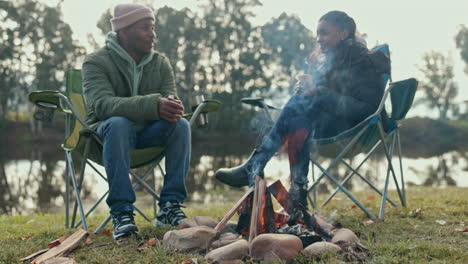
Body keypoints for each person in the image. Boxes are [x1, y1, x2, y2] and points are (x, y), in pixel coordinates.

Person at [215, 11, 390, 209]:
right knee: (298, 118)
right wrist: (308, 88)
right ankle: (297, 194)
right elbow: (322, 100)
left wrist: (317, 92)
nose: (319, 39)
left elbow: (366, 109)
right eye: (317, 34)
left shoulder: (364, 61)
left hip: (356, 131)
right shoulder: (329, 62)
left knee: (298, 108)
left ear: (343, 33)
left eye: (324, 33)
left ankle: (255, 167)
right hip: (323, 127)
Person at [82, 3, 191, 240]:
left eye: (153, 28)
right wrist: (154, 105)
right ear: (124, 31)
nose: (153, 34)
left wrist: (173, 106)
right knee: (118, 123)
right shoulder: (95, 62)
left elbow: (168, 97)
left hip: (148, 136)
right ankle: (122, 212)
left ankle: (170, 207)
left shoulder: (160, 63)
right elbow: (102, 105)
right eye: (145, 28)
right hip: (105, 139)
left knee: (181, 125)